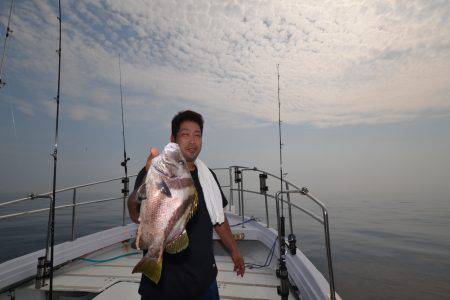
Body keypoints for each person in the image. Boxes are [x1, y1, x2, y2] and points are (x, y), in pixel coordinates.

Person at [128, 110, 245, 300]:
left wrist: (235, 253)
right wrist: (146, 184)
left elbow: (219, 221)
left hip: (204, 282)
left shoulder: (208, 177)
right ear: (173, 139)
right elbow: (134, 214)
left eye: (197, 135)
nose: (192, 141)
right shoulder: (156, 170)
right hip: (163, 287)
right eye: (185, 134)